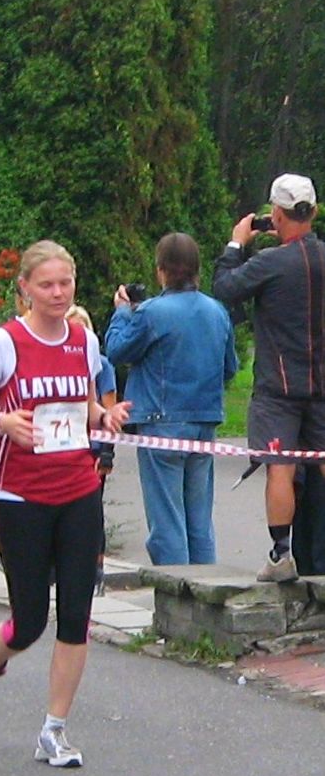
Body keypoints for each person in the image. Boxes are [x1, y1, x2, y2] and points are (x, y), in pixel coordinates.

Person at [0, 240, 131, 768]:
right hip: (23, 496)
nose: (57, 293)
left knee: (77, 615)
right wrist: (1, 422)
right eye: (46, 284)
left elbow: (85, 405)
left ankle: (55, 730)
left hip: (78, 491)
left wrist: (104, 417)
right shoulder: (6, 343)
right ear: (25, 288)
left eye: (65, 283)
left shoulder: (83, 340)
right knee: (29, 621)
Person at [213, 173, 325, 582]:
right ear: (313, 211)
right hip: (322, 383)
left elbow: (225, 288)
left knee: (280, 466)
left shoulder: (270, 263)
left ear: (276, 214)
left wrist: (236, 244)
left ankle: (281, 554)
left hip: (279, 386)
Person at [106, 232, 237, 566]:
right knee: (199, 521)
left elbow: (117, 351)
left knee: (167, 522)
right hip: (204, 422)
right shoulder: (217, 311)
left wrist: (122, 313)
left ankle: (175, 591)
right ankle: (206, 588)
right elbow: (230, 368)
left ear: (160, 270)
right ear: (197, 269)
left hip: (160, 421)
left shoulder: (152, 312)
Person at [66, 303, 116, 595]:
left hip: (94, 448)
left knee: (91, 511)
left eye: (81, 327)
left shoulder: (102, 365)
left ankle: (96, 569)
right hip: (67, 446)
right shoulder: (58, 360)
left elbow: (108, 409)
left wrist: (107, 451)